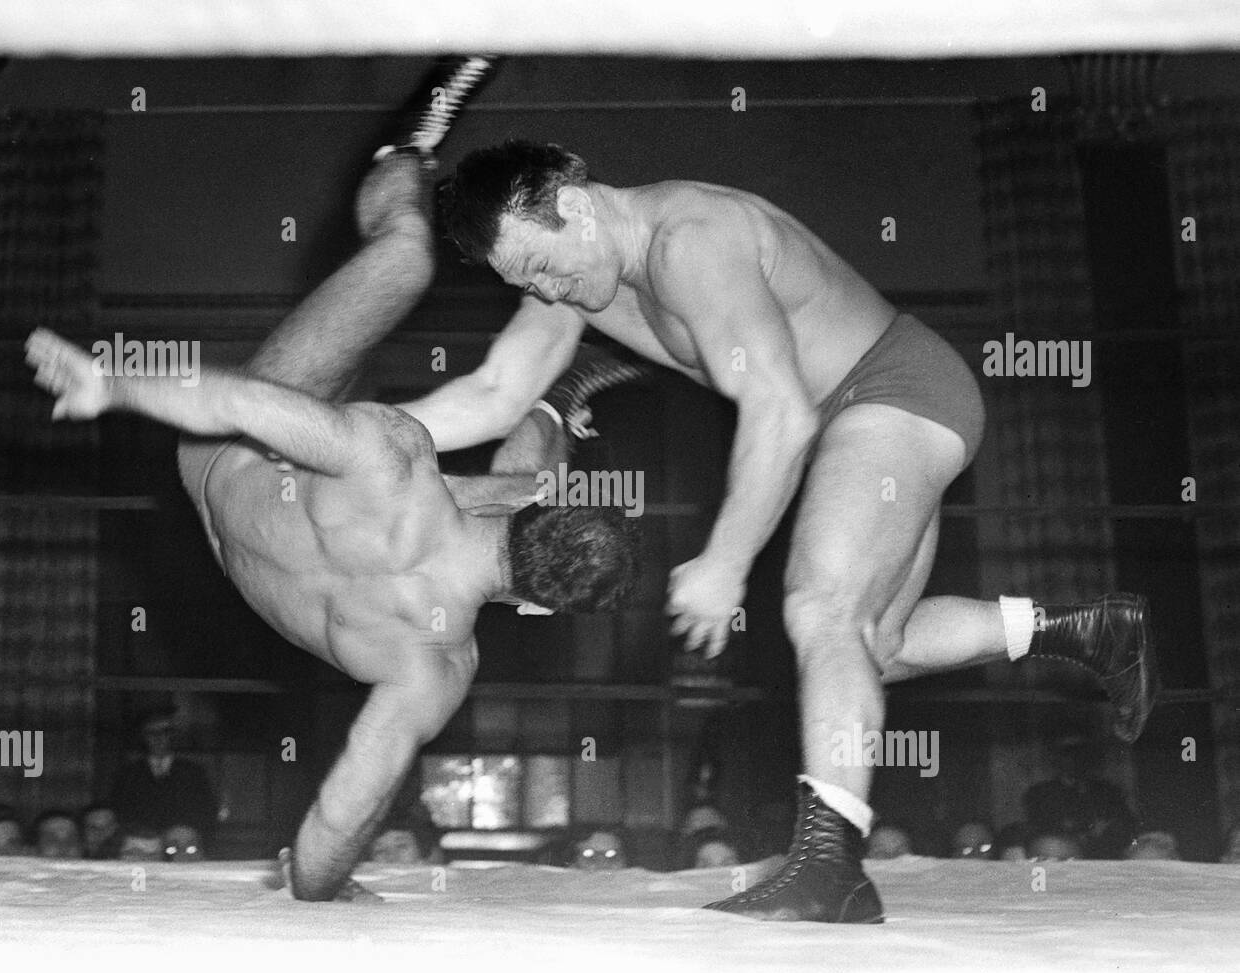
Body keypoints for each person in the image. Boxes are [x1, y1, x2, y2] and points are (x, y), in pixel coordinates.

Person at [394, 139, 1161, 922]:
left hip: (894, 385)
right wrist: (349, 434)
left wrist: (727, 560)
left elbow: (782, 412)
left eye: (544, 264)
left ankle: (831, 867)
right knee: (874, 648)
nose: (546, 290)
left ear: (577, 206)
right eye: (523, 281)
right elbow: (491, 393)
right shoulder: (573, 281)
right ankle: (1089, 629)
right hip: (853, 415)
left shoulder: (691, 240)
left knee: (820, 609)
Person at [25, 67, 641, 903]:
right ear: (545, 606)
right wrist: (323, 888)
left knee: (401, 260)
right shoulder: (438, 669)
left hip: (231, 451)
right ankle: (557, 404)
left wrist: (117, 387)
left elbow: (240, 399)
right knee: (497, 490)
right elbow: (343, 813)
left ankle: (407, 147)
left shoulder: (398, 464)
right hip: (264, 531)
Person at [110, 711, 218, 845]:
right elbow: (120, 810)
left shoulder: (193, 772)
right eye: (152, 733)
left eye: (165, 732)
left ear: (173, 736)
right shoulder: (129, 774)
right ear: (143, 737)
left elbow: (206, 809)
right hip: (142, 845)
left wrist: (186, 833)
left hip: (182, 844)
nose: (158, 738)